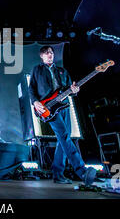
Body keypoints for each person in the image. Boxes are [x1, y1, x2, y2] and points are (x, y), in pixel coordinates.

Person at [29, 45, 96, 185]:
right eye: (47, 53)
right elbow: (31, 89)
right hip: (48, 108)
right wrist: (35, 102)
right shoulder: (37, 70)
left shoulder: (62, 71)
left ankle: (58, 174)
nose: (50, 54)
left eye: (52, 52)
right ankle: (82, 172)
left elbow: (69, 89)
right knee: (65, 137)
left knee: (63, 140)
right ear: (41, 56)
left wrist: (75, 90)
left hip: (64, 106)